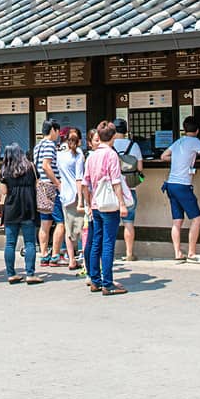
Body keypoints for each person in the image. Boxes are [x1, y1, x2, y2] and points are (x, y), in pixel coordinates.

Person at [82, 122, 129, 295]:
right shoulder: (111, 155)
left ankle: (95, 280)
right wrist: (122, 204)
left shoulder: (91, 156)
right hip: (109, 204)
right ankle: (107, 283)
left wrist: (88, 203)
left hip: (95, 204)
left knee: (96, 241)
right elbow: (116, 181)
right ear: (113, 136)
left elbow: (85, 183)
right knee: (108, 242)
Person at [164, 118, 200, 263]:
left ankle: (178, 252)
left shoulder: (178, 142)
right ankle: (192, 253)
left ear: (184, 129)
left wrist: (176, 160)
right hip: (183, 185)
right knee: (197, 219)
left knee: (177, 221)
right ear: (197, 130)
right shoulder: (195, 141)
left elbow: (163, 156)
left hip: (170, 184)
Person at [0, 144, 42, 284]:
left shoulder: (4, 171)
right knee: (29, 242)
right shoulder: (31, 167)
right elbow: (37, 186)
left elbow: (4, 192)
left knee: (10, 243)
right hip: (29, 207)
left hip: (11, 208)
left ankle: (11, 274)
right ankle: (30, 274)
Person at [111, 120, 146, 262]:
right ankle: (129, 253)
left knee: (111, 223)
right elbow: (140, 168)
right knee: (128, 222)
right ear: (126, 130)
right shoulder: (134, 145)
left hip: (113, 189)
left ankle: (109, 253)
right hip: (129, 188)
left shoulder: (109, 145)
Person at [54, 128, 87, 272]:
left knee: (69, 228)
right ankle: (84, 258)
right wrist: (81, 199)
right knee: (82, 228)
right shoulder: (78, 155)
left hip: (65, 194)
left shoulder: (59, 155)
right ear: (79, 140)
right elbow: (79, 178)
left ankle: (71, 258)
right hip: (76, 194)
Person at [31, 120, 63, 267]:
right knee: (60, 223)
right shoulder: (50, 145)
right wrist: (58, 183)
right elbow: (46, 166)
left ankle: (44, 255)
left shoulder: (38, 146)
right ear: (53, 130)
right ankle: (55, 255)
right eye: (57, 131)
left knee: (45, 223)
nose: (58, 135)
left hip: (41, 187)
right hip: (51, 187)